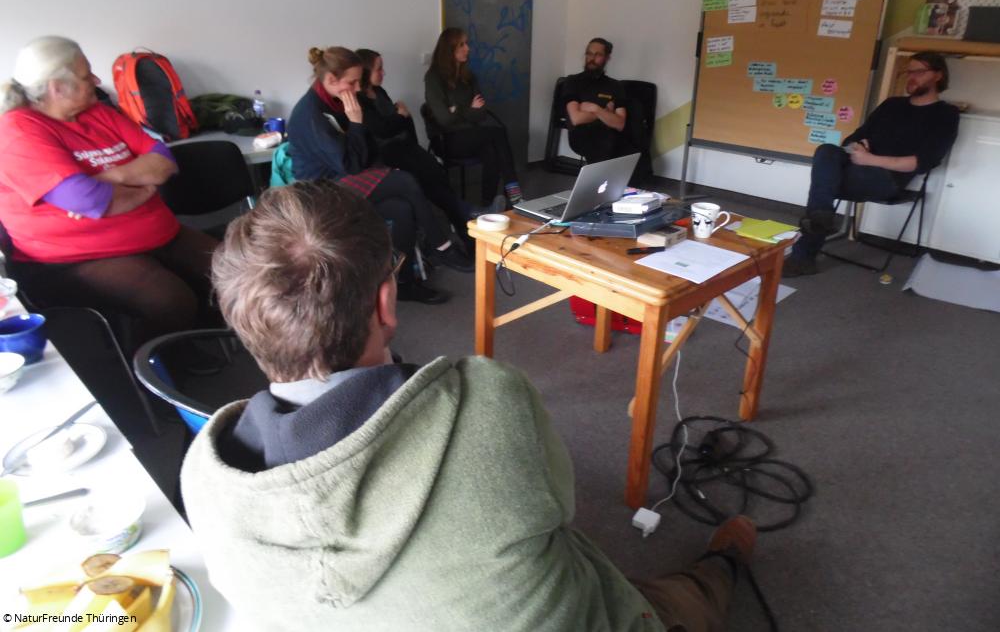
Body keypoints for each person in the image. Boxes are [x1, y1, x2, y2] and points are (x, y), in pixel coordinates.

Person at [181, 179, 757, 632]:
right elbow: (560, 508)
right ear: (386, 303)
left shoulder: (204, 477)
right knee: (671, 598)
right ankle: (722, 570)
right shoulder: (487, 400)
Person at [0, 36, 218, 343]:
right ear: (57, 88)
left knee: (242, 270)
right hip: (75, 257)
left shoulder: (98, 113)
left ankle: (214, 345)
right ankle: (150, 365)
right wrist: (143, 186)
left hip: (159, 234)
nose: (97, 80)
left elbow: (163, 161)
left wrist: (107, 178)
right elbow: (89, 200)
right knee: (169, 300)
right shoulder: (17, 131)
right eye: (86, 75)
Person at [286, 45, 472, 305]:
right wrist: (357, 122)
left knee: (402, 208)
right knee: (405, 181)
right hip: (322, 194)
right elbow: (351, 164)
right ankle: (441, 246)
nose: (357, 88)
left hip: (342, 178)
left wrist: (364, 136)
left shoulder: (335, 100)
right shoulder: (311, 114)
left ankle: (404, 283)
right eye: (352, 82)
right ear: (331, 79)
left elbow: (363, 153)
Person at [783, 51, 959, 277]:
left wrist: (870, 159)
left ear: (938, 75)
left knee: (824, 183)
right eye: (909, 72)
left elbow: (922, 162)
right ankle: (819, 220)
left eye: (919, 72)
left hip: (887, 179)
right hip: (856, 167)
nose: (911, 77)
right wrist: (857, 146)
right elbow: (852, 138)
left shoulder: (946, 114)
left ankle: (806, 251)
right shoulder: (892, 105)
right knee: (826, 150)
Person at [355, 48, 478, 247]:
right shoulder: (359, 101)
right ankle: (465, 219)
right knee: (428, 177)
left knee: (435, 174)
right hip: (385, 156)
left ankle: (463, 222)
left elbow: (398, 123)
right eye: (379, 69)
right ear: (366, 71)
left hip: (403, 147)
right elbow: (383, 129)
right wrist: (400, 116)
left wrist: (400, 118)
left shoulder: (379, 92)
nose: (383, 72)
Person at [424, 28, 521, 208]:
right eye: (462, 45)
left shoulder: (469, 77)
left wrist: (456, 110)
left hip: (473, 134)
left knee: (491, 151)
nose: (467, 48)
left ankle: (488, 204)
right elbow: (444, 120)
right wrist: (468, 109)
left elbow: (481, 112)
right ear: (449, 49)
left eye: (466, 44)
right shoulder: (433, 78)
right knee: (497, 133)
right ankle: (514, 192)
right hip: (447, 139)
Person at [562, 38, 637, 164]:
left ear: (607, 58)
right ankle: (600, 176)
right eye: (589, 53)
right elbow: (576, 118)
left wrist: (595, 109)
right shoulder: (572, 81)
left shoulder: (616, 86)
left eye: (598, 55)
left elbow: (620, 123)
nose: (592, 58)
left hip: (610, 134)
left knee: (632, 146)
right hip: (581, 134)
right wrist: (606, 112)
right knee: (606, 142)